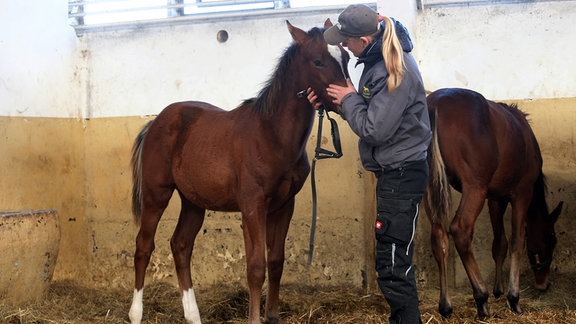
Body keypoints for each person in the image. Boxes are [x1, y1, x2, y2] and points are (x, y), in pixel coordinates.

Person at [307, 4, 431, 324]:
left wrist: (347, 98)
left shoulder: (394, 70)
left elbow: (375, 129)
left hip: (401, 176)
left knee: (392, 266)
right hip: (396, 174)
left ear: (363, 39)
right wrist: (335, 104)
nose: (343, 46)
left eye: (346, 41)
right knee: (392, 261)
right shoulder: (380, 62)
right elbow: (371, 112)